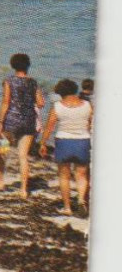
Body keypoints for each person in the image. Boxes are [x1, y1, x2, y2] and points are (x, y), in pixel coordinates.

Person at [40, 79, 92, 217]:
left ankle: (67, 207)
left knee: (64, 176)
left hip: (64, 141)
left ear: (61, 93)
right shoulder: (87, 105)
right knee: (81, 175)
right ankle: (81, 200)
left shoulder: (57, 106)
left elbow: (49, 127)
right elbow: (90, 124)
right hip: (83, 141)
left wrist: (43, 143)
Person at [0, 53, 44, 197]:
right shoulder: (33, 82)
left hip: (11, 120)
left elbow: (6, 102)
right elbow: (41, 103)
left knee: (1, 148)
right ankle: (23, 189)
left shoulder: (9, 81)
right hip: (28, 121)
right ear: (28, 65)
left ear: (12, 65)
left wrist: (0, 122)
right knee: (23, 156)